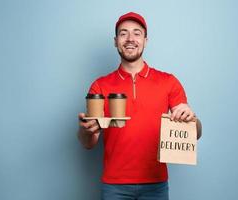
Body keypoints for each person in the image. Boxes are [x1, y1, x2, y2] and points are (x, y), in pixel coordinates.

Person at [78, 12, 202, 200]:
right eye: (123, 33)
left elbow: (196, 133)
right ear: (115, 41)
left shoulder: (168, 82)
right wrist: (86, 130)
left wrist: (192, 120)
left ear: (145, 40)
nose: (130, 39)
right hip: (114, 186)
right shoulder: (100, 86)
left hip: (156, 184)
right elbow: (89, 143)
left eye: (137, 33)